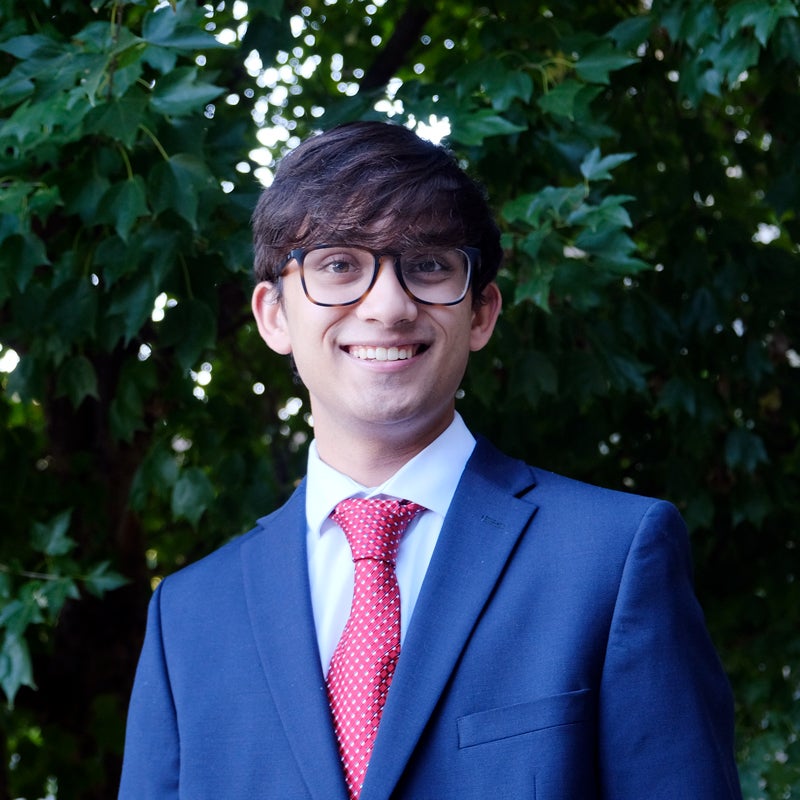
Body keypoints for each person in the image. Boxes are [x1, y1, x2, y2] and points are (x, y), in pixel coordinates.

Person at [119, 121, 743, 799]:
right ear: (272, 314)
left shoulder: (613, 559)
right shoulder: (187, 618)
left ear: (481, 313)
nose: (388, 306)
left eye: (428, 265)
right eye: (338, 264)